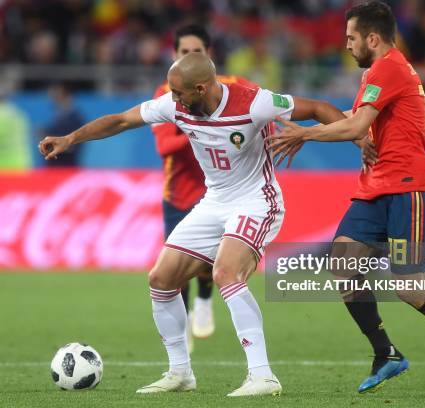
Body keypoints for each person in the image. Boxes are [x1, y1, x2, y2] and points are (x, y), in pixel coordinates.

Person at [39, 52, 349, 397]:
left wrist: (357, 138)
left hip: (257, 201)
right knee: (161, 278)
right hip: (214, 202)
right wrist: (70, 139)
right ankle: (180, 373)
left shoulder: (254, 103)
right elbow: (122, 120)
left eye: (178, 92)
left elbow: (320, 108)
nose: (172, 99)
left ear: (201, 88)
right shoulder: (176, 107)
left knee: (226, 273)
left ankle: (263, 375)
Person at [269, 1, 425, 397]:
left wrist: (304, 135)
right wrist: (311, 121)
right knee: (342, 264)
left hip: (408, 190)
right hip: (376, 188)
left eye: (351, 38)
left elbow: (356, 125)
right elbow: (354, 117)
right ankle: (386, 353)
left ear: (372, 38)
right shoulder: (379, 73)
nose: (346, 45)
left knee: (408, 285)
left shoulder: (389, 67)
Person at [152, 24, 260, 350]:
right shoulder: (167, 95)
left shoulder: (232, 87)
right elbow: (164, 148)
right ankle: (182, 328)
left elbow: (259, 107)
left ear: (208, 56)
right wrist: (201, 123)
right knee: (175, 267)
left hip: (222, 192)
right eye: (183, 52)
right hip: (178, 192)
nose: (187, 57)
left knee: (214, 263)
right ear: (174, 55)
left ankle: (204, 302)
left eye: (195, 53)